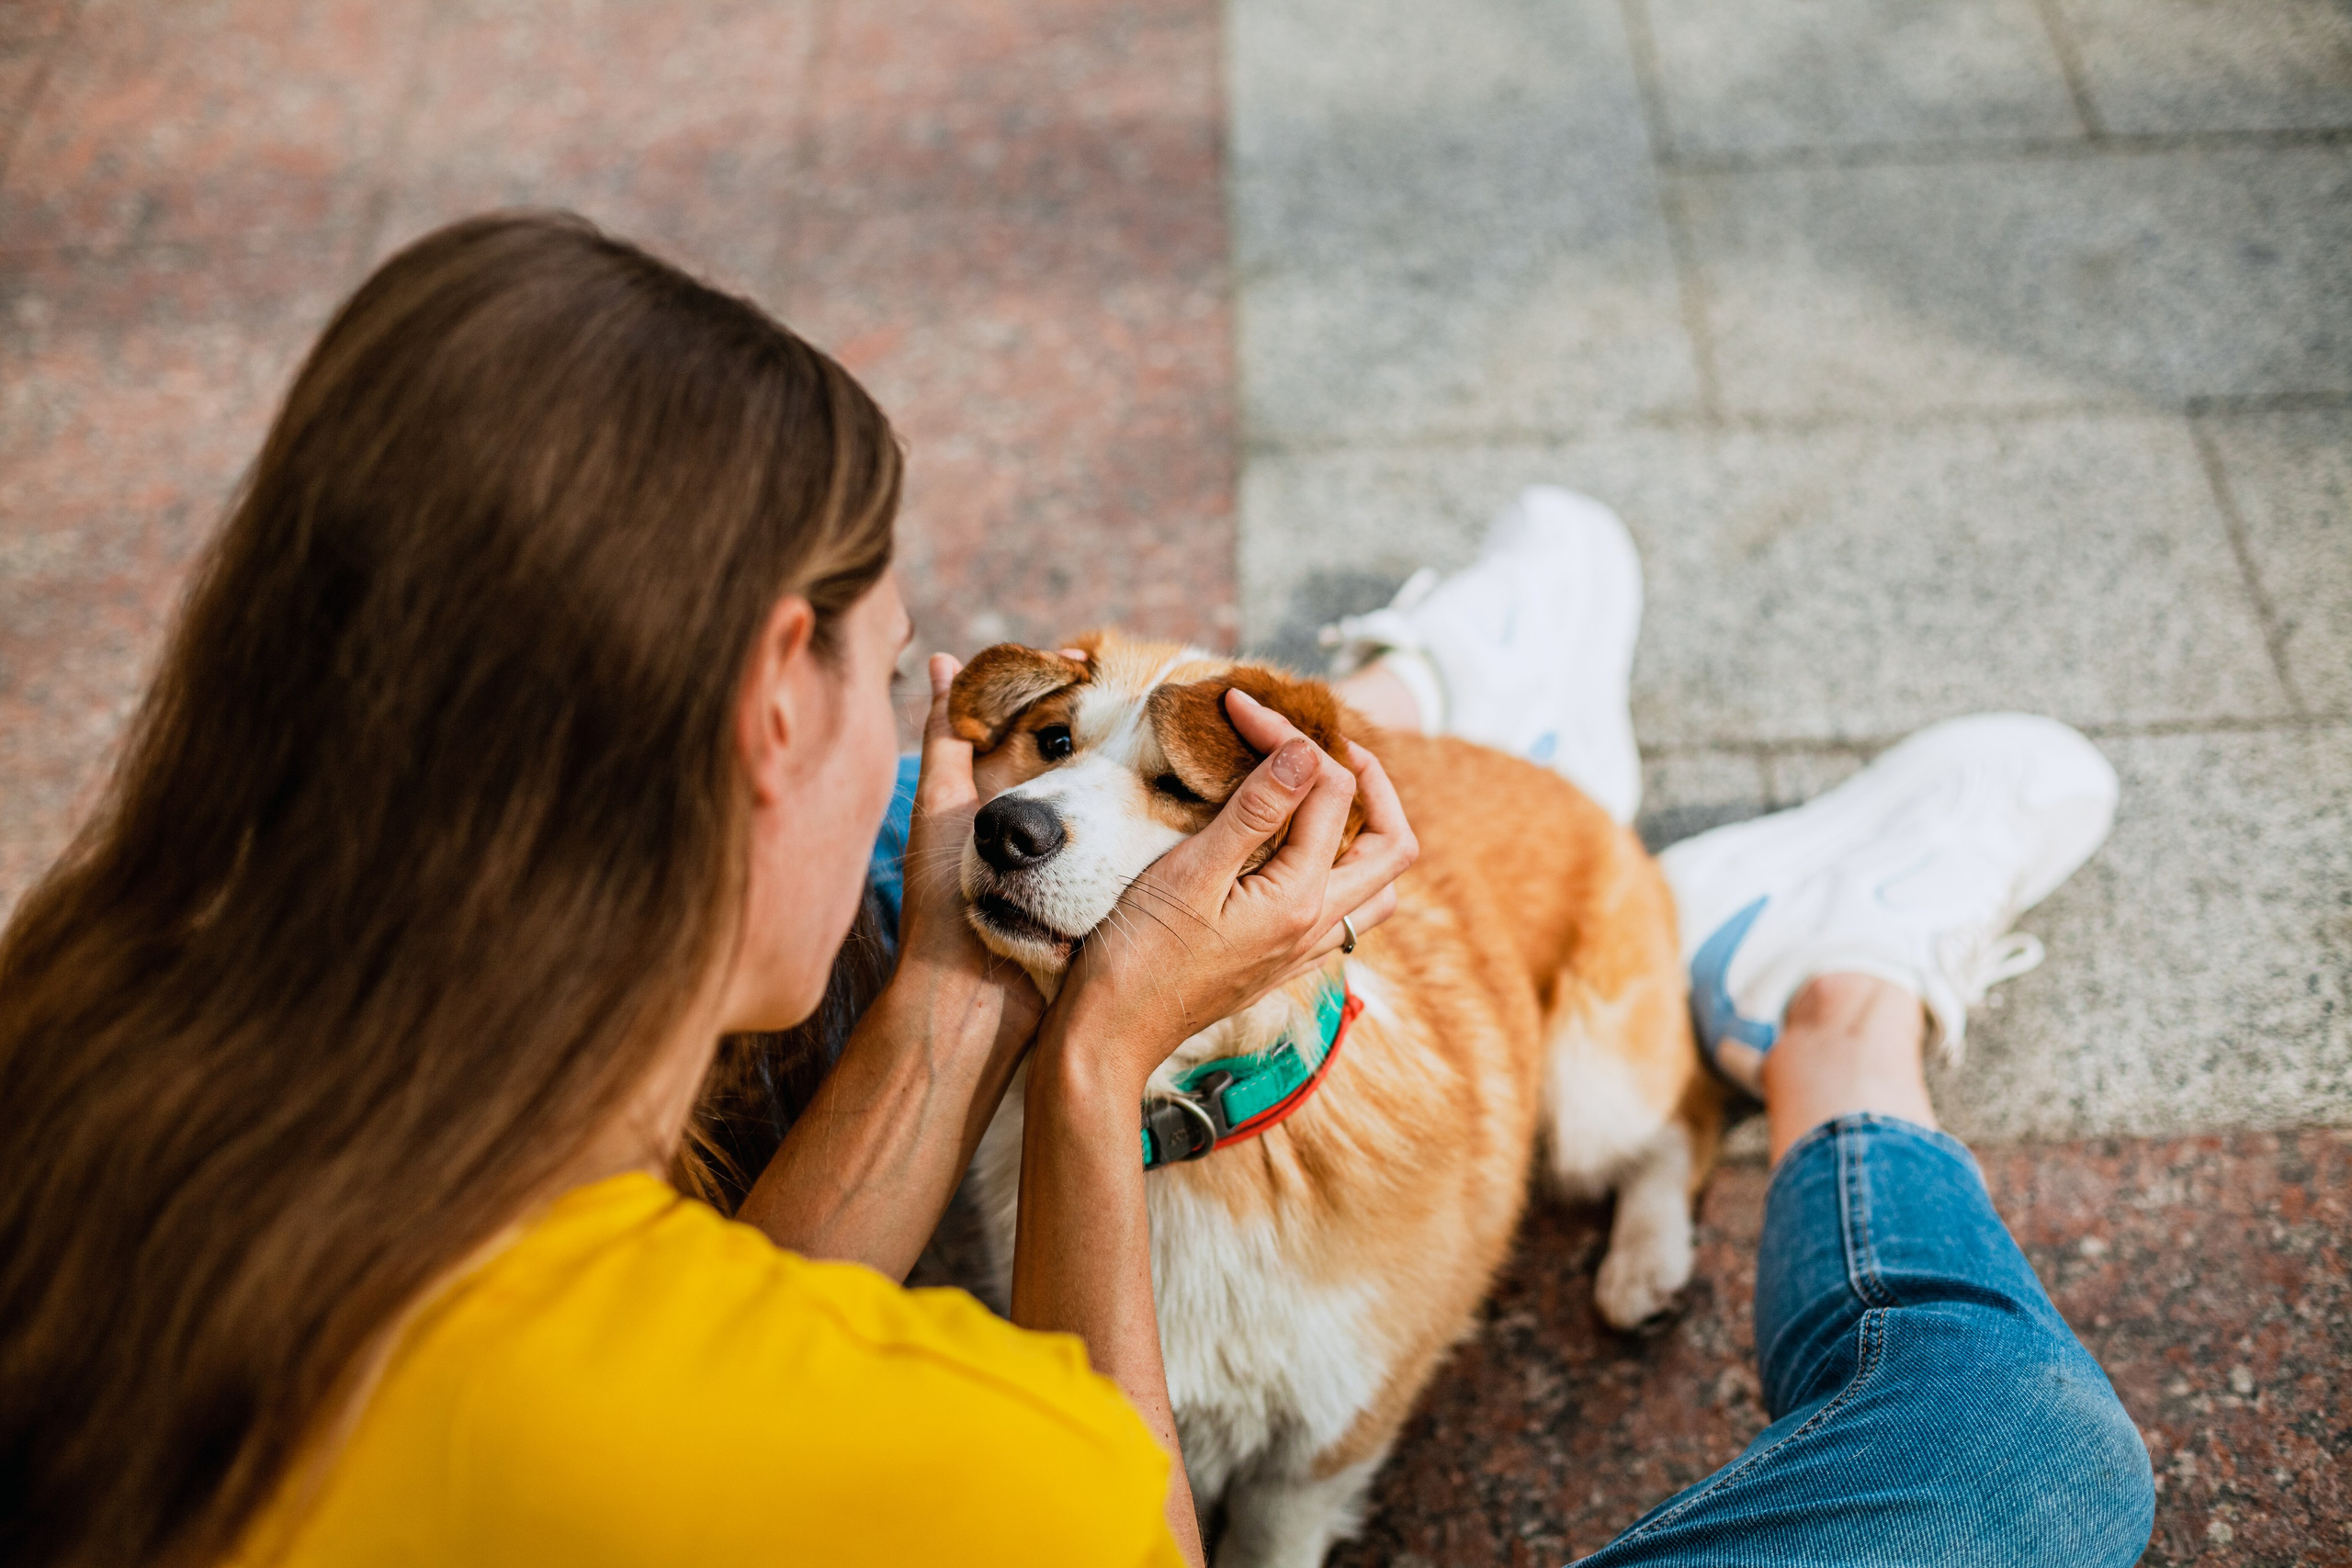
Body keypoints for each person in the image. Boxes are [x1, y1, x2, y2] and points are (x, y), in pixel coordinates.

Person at [0, 210, 2154, 1567]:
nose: (930, 722)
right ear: (773, 686)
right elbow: (1114, 1508)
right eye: (889, 662)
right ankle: (1840, 1009)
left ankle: (1419, 703)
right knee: (2029, 1446)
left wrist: (959, 985)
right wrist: (1100, 1046)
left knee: (950, 850)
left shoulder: (75, 1057)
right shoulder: (954, 1464)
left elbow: (731, 1305)